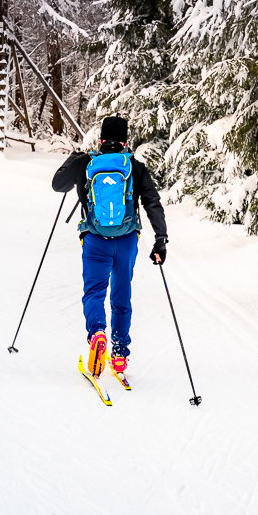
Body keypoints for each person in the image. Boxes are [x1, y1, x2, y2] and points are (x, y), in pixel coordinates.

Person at [52, 116, 168, 377]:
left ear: (101, 140)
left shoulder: (86, 164)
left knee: (94, 292)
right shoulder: (134, 167)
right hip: (127, 241)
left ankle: (97, 335)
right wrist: (161, 239)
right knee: (121, 295)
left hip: (94, 240)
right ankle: (119, 356)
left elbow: (57, 185)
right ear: (125, 141)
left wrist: (73, 158)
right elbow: (152, 202)